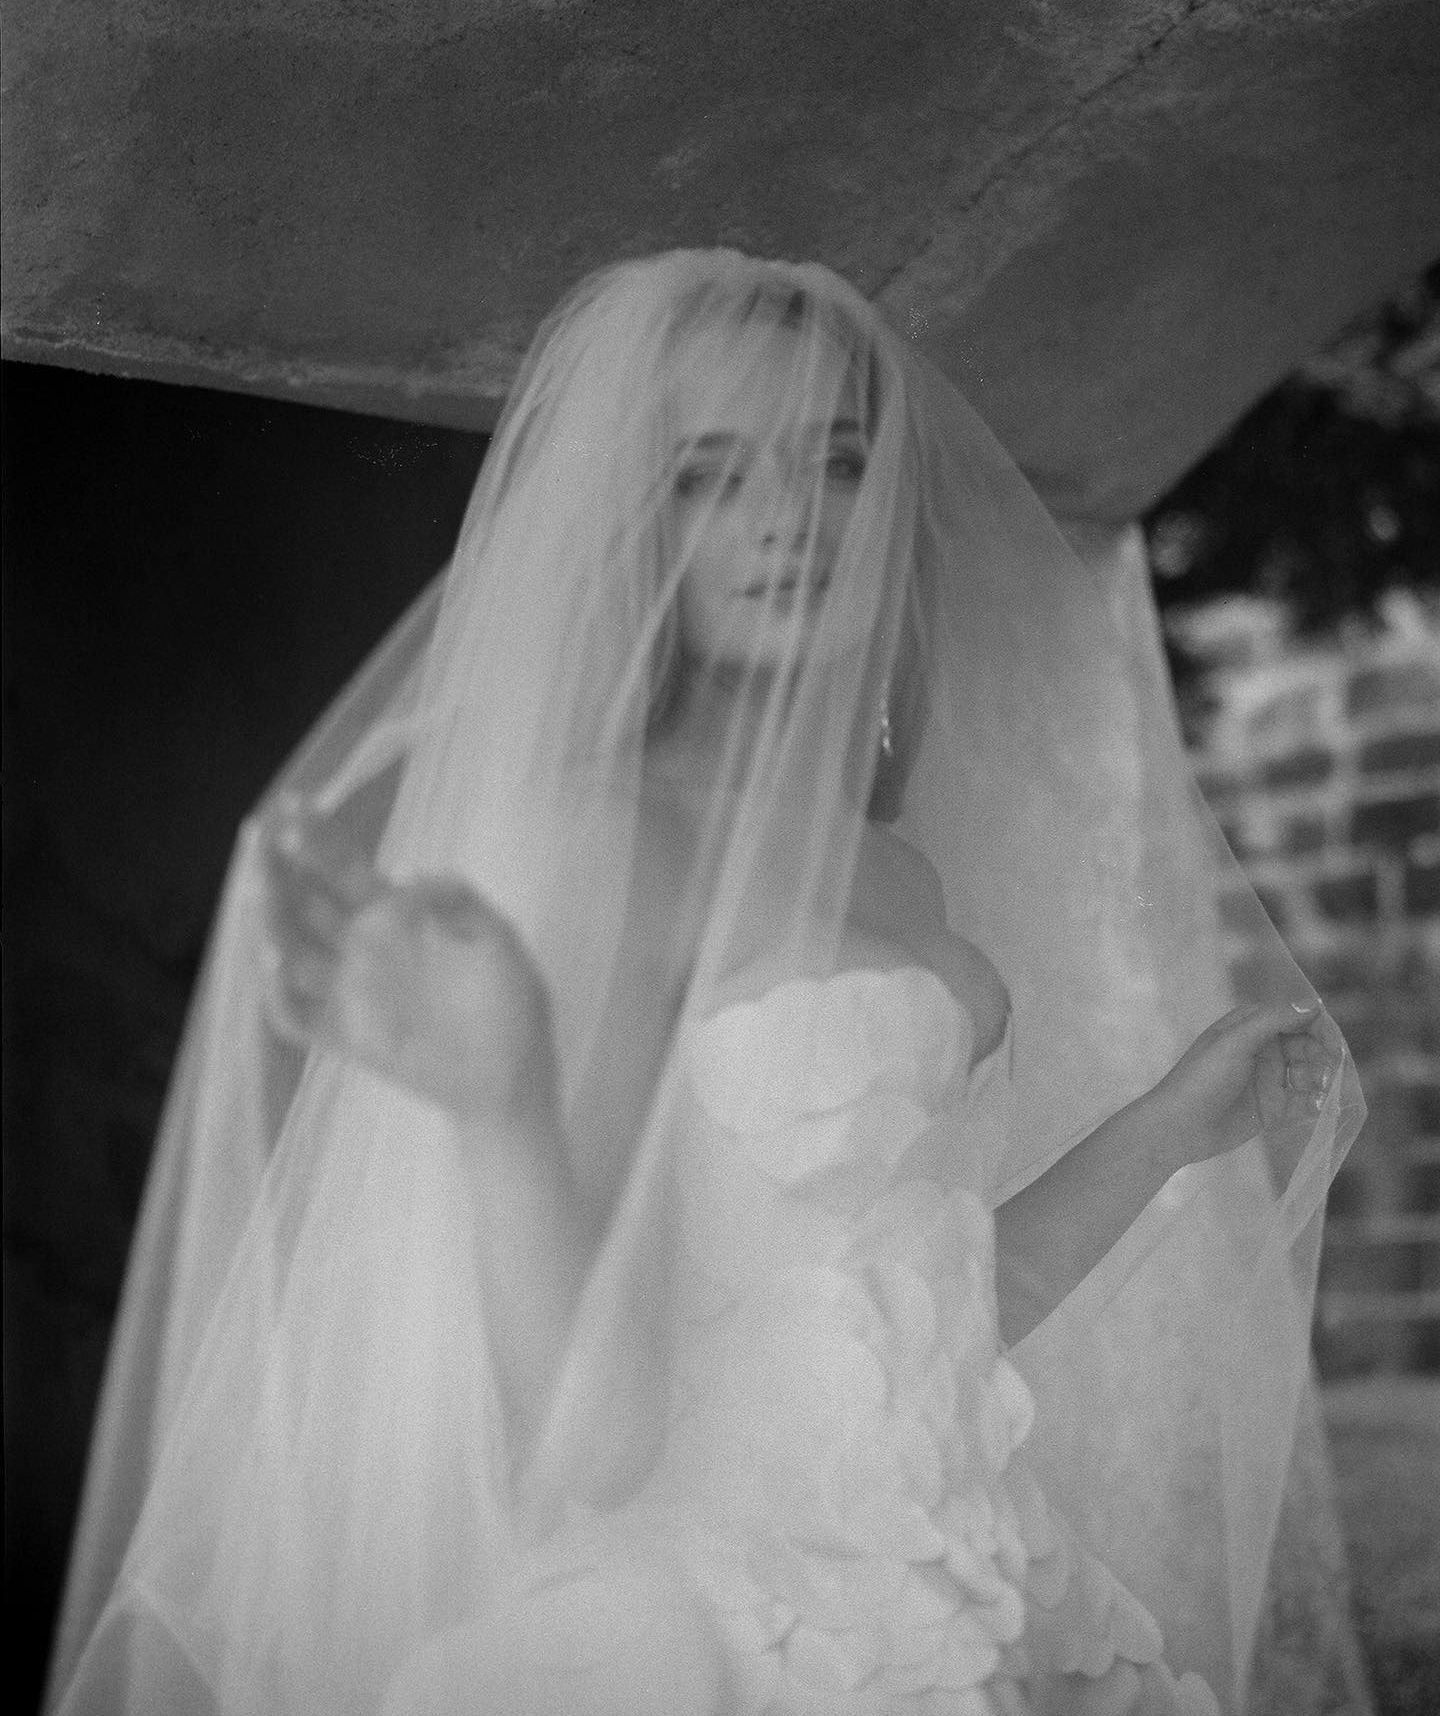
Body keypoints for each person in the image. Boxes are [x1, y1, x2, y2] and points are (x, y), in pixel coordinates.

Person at [45, 252, 1370, 1716]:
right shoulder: (606, 840)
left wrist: (1163, 1130)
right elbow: (585, 1439)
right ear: (639, 527)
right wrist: (503, 1100)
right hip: (720, 1632)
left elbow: (922, 1324)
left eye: (837, 461)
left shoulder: (894, 874)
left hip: (950, 1583)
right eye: (710, 477)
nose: (789, 518)